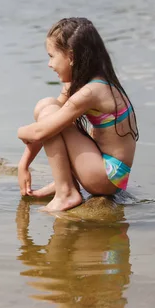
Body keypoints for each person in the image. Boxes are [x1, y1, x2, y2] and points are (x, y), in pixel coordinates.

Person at [17, 17, 139, 211]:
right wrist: (23, 165)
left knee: (48, 110)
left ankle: (66, 193)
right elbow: (47, 123)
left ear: (71, 57)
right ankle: (65, 183)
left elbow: (41, 131)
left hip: (107, 177)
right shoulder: (86, 83)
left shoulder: (92, 92)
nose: (49, 64)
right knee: (47, 106)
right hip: (108, 171)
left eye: (51, 56)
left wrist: (20, 132)